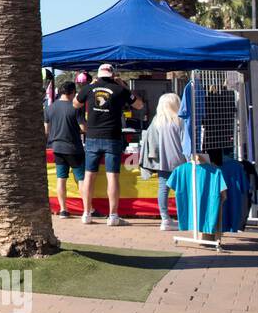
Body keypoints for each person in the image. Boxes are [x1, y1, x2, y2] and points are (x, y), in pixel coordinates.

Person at [75, 63, 144, 225]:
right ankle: (113, 216)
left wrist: (90, 86)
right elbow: (139, 105)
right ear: (112, 75)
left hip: (92, 136)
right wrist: (122, 86)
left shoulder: (89, 89)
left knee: (89, 175)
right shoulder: (120, 90)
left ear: (98, 75)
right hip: (112, 137)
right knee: (112, 176)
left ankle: (86, 213)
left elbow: (75, 104)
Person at [140, 92, 188, 231]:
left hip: (162, 162)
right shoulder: (180, 121)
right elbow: (186, 143)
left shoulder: (156, 121)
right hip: (181, 161)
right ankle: (184, 218)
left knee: (163, 189)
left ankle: (165, 218)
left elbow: (149, 142)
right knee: (182, 190)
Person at [45, 81, 85, 218]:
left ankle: (63, 209)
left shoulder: (50, 108)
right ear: (72, 92)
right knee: (81, 179)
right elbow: (83, 128)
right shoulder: (76, 107)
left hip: (57, 147)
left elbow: (46, 130)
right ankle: (88, 209)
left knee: (61, 178)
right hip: (74, 148)